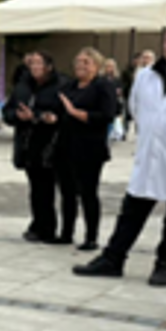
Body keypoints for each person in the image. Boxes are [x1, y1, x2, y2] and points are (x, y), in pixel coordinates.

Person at [74, 25, 166, 286]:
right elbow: (135, 107)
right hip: (150, 155)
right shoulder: (145, 76)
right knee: (131, 212)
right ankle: (113, 259)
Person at [53, 47, 117, 251]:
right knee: (67, 192)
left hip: (90, 148)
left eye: (86, 62)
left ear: (97, 66)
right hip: (65, 146)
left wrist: (78, 113)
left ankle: (91, 237)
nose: (80, 66)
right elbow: (60, 110)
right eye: (78, 62)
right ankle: (66, 233)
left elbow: (107, 115)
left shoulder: (103, 86)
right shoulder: (69, 86)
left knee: (88, 193)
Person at [2, 51, 64, 243]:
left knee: (47, 188)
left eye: (38, 63)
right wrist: (16, 116)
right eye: (32, 64)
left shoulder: (60, 85)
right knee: (35, 187)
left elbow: (60, 113)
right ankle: (38, 223)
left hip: (48, 144)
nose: (34, 67)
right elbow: (8, 111)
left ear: (48, 66)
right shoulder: (23, 85)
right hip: (27, 143)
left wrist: (36, 116)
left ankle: (49, 227)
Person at [102, 57, 125, 141]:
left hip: (115, 103)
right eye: (108, 66)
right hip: (105, 103)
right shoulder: (101, 78)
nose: (110, 68)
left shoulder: (116, 78)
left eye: (111, 66)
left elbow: (121, 88)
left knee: (114, 121)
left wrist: (119, 91)